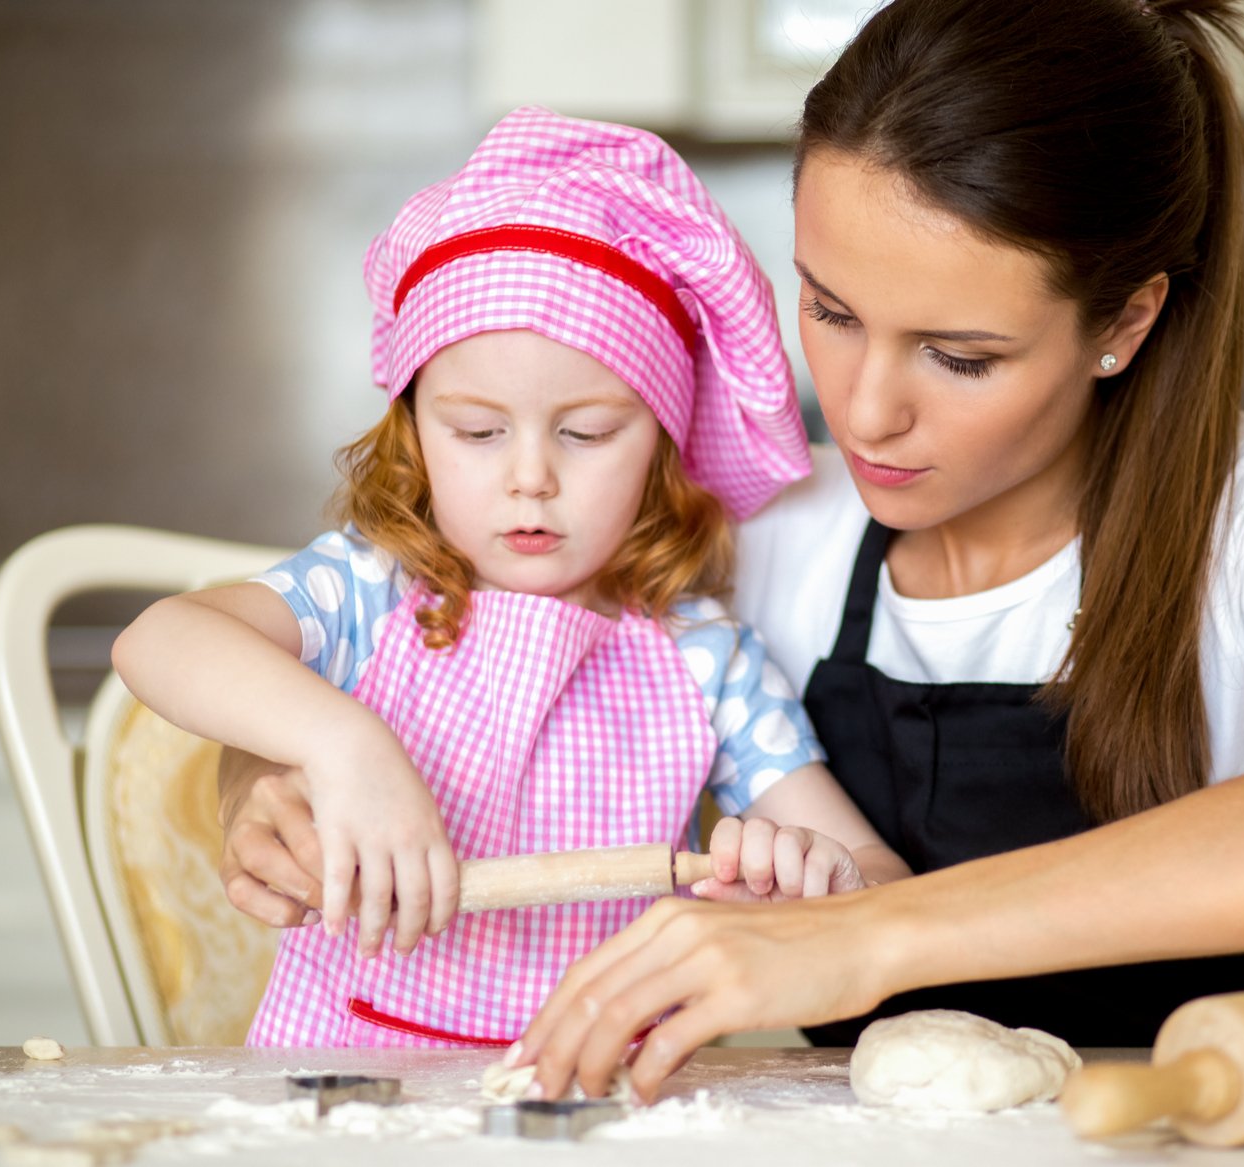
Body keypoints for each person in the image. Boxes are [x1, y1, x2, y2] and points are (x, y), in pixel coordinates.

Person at [216, 0, 1244, 1091]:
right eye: (828, 309)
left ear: (1123, 321)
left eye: (959, 355)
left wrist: (868, 936)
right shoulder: (771, 535)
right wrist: (268, 776)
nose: (865, 405)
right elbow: (429, 642)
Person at [112, 106, 908, 1047]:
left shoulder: (705, 659)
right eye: (479, 431)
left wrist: (813, 870)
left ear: (662, 444)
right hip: (351, 1093)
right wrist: (346, 744)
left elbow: (883, 885)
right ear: (415, 430)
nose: (530, 475)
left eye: (586, 432)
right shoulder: (371, 591)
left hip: (610, 1107)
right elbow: (154, 639)